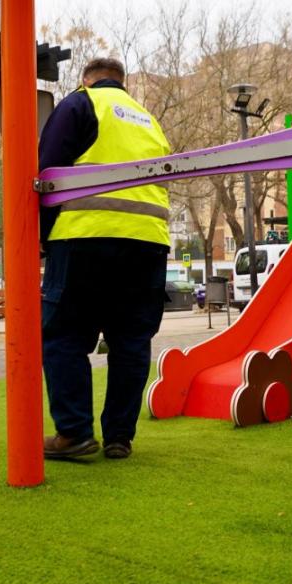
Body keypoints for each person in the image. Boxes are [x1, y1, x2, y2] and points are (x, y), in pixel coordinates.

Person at [39, 57, 171, 461]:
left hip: (85, 234)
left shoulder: (80, 104)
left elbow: (47, 172)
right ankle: (119, 437)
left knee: (64, 335)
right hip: (148, 241)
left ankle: (75, 433)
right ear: (123, 83)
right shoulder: (148, 120)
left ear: (88, 80)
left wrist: (43, 239)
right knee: (130, 340)